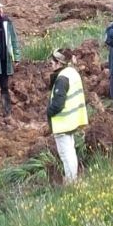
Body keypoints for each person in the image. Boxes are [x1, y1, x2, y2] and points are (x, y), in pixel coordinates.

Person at [45, 48, 88, 183]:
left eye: (52, 61)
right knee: (70, 152)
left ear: (59, 63)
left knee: (66, 154)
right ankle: (73, 179)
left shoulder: (62, 79)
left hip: (63, 122)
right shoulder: (72, 73)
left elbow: (58, 104)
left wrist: (48, 112)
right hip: (71, 120)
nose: (50, 64)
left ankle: (71, 182)